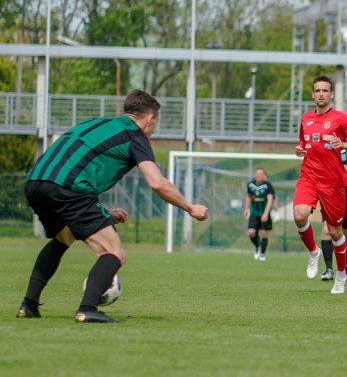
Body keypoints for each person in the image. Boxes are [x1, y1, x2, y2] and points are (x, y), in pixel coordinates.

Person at [17, 89, 209, 323]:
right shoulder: (135, 136)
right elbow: (157, 183)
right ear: (149, 117)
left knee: (64, 237)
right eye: (155, 121)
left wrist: (105, 213)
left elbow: (78, 167)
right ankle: (88, 308)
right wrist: (190, 208)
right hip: (69, 188)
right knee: (113, 252)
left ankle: (28, 305)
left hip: (36, 181)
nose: (154, 128)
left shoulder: (97, 123)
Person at [292, 75, 347, 295]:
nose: (321, 94)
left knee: (335, 232)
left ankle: (341, 275)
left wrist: (344, 143)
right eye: (318, 90)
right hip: (309, 177)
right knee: (299, 214)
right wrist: (299, 149)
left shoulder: (341, 119)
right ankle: (313, 252)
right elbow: (303, 143)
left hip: (333, 183)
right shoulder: (305, 119)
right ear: (313, 94)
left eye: (325, 90)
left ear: (332, 94)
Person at [320, 147, 347, 281]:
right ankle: (328, 269)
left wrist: (342, 167)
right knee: (326, 230)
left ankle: (345, 264)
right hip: (329, 195)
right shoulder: (325, 144)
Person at [245, 167, 277, 261]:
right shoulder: (250, 184)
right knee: (251, 232)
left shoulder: (268, 185)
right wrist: (246, 209)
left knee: (264, 233)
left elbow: (270, 199)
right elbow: (248, 197)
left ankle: (262, 253)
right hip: (254, 213)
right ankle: (258, 247)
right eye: (257, 173)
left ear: (263, 175)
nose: (259, 175)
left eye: (261, 174)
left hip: (264, 213)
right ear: (255, 175)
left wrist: (266, 213)